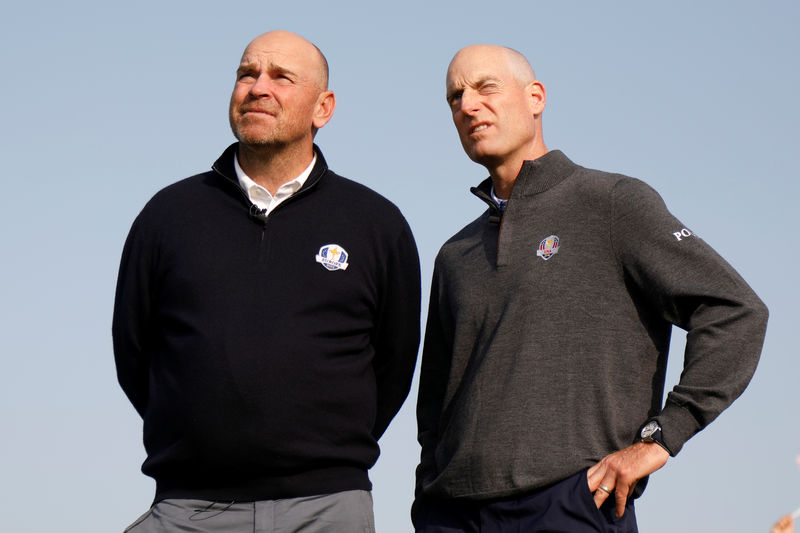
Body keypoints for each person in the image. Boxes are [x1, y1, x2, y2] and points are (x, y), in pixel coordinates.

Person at [413, 44, 768, 532]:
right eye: (455, 96)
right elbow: (435, 400)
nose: (468, 105)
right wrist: (428, 498)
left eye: (485, 87)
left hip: (572, 501)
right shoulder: (456, 253)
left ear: (535, 97)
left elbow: (735, 310)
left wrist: (663, 437)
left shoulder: (613, 203)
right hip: (453, 513)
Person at [113, 30, 420, 532]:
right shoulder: (168, 215)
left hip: (327, 508)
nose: (258, 87)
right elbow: (134, 352)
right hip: (188, 508)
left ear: (324, 107)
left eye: (281, 77)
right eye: (246, 74)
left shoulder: (376, 223)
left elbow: (394, 363)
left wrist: (321, 454)